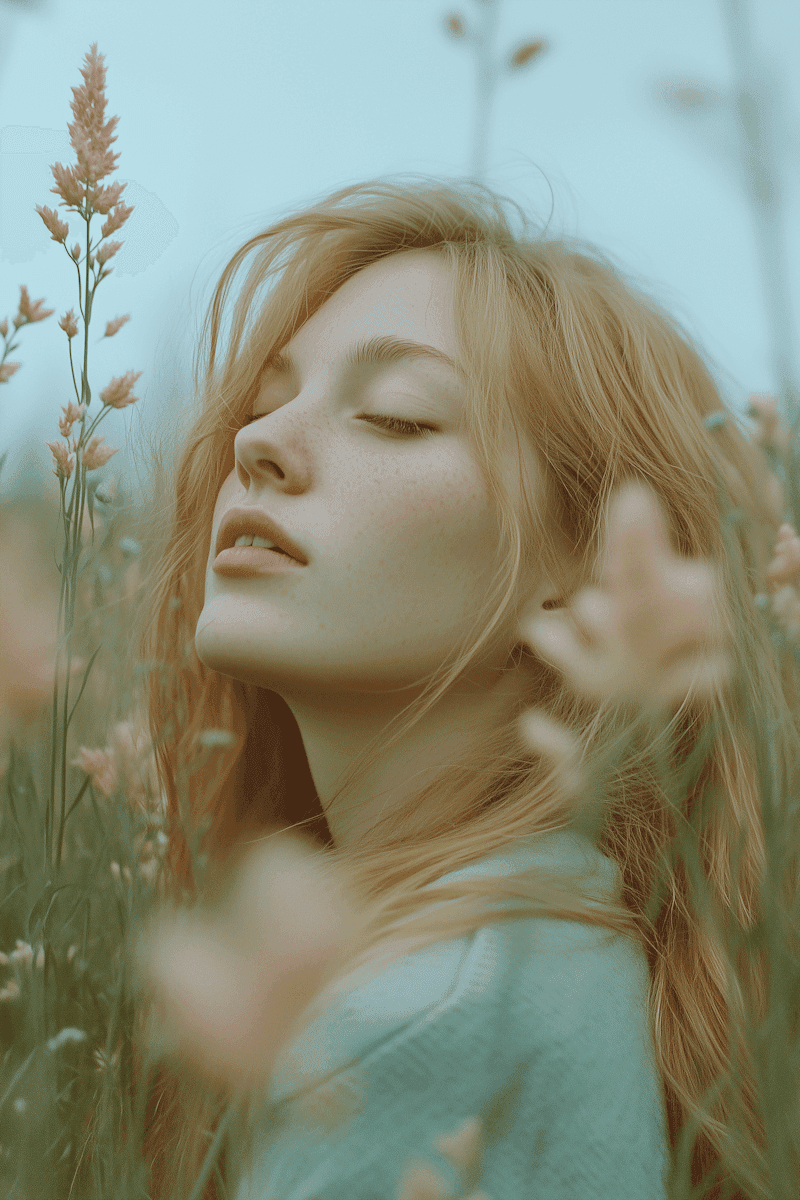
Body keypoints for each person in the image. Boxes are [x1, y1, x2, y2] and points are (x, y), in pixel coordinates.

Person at [133, 176, 788, 1200]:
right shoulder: (554, 938)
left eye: (394, 419)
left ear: (597, 564)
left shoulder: (421, 1015)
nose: (256, 445)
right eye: (265, 404)